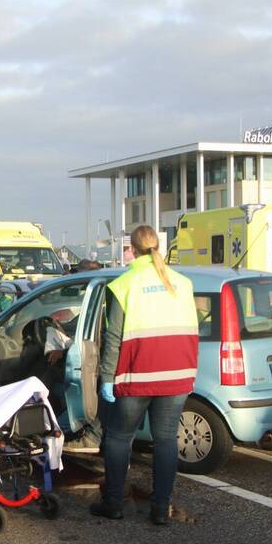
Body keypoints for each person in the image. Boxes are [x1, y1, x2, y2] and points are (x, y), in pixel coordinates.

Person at [91, 225, 199, 526]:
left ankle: (113, 503)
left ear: (132, 250)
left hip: (137, 375)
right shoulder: (182, 283)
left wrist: (107, 378)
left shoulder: (125, 284)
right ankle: (160, 509)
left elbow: (113, 337)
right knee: (165, 440)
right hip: (177, 374)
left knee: (119, 438)